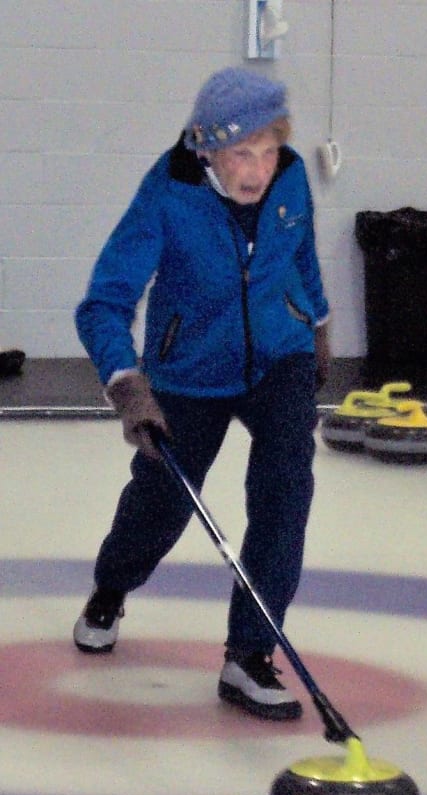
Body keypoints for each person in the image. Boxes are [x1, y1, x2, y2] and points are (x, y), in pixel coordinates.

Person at [73, 67, 330, 721]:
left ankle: (247, 655)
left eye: (268, 150)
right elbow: (103, 303)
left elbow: (300, 254)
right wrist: (128, 385)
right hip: (188, 369)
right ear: (207, 146)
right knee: (160, 504)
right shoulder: (168, 193)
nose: (257, 169)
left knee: (284, 490)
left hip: (280, 358)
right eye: (241, 152)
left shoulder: (292, 176)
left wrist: (316, 323)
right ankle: (111, 584)